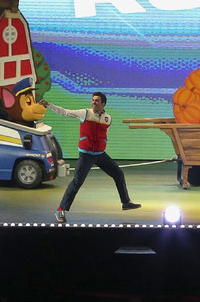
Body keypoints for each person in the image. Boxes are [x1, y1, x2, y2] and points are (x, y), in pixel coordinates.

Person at [42, 92, 140, 223]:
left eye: (97, 101)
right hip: (86, 155)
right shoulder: (85, 113)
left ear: (103, 104)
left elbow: (103, 134)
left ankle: (126, 202)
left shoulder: (107, 118)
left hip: (100, 154)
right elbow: (65, 112)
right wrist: (49, 105)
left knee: (118, 174)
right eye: (93, 100)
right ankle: (60, 209)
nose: (94, 102)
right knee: (77, 182)